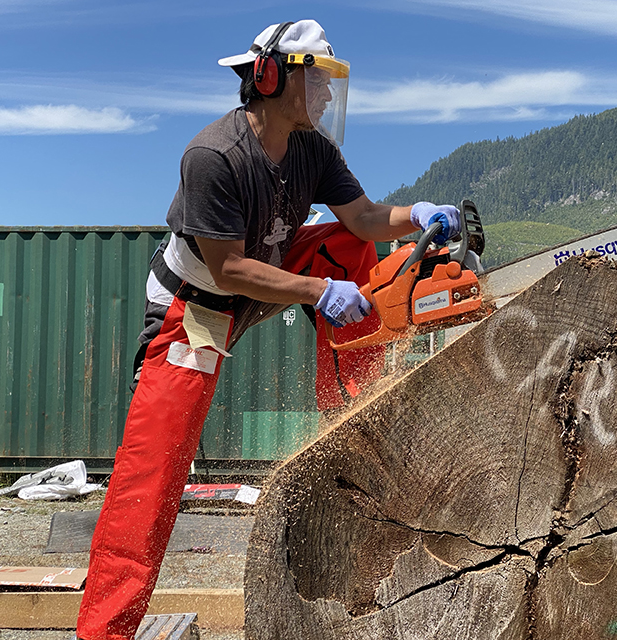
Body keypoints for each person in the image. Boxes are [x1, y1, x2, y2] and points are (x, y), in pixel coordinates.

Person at [74, 19, 461, 640]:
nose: (328, 96)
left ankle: (353, 413)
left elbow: (361, 219)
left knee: (347, 247)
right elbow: (228, 269)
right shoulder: (214, 156)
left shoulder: (312, 150)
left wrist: (416, 214)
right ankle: (105, 630)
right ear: (272, 75)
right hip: (197, 306)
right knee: (154, 471)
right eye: (319, 80)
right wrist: (317, 291)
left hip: (271, 268)